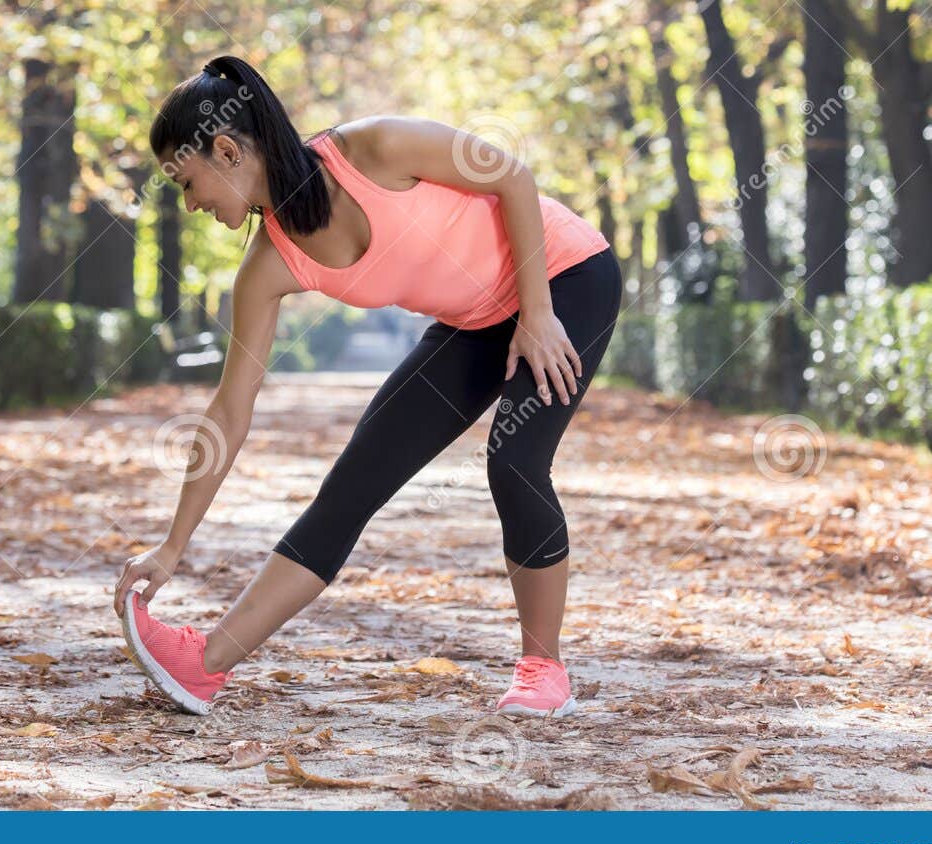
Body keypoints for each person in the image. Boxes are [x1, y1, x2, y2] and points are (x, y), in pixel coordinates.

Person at [114, 54, 623, 717]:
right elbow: (230, 409)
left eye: (186, 183)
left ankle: (543, 669)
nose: (191, 203)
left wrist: (536, 311)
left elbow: (512, 177)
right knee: (352, 484)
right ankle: (205, 665)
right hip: (473, 321)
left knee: (515, 458)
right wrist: (173, 542)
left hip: (563, 279)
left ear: (227, 149)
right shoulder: (267, 266)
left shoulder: (376, 147)